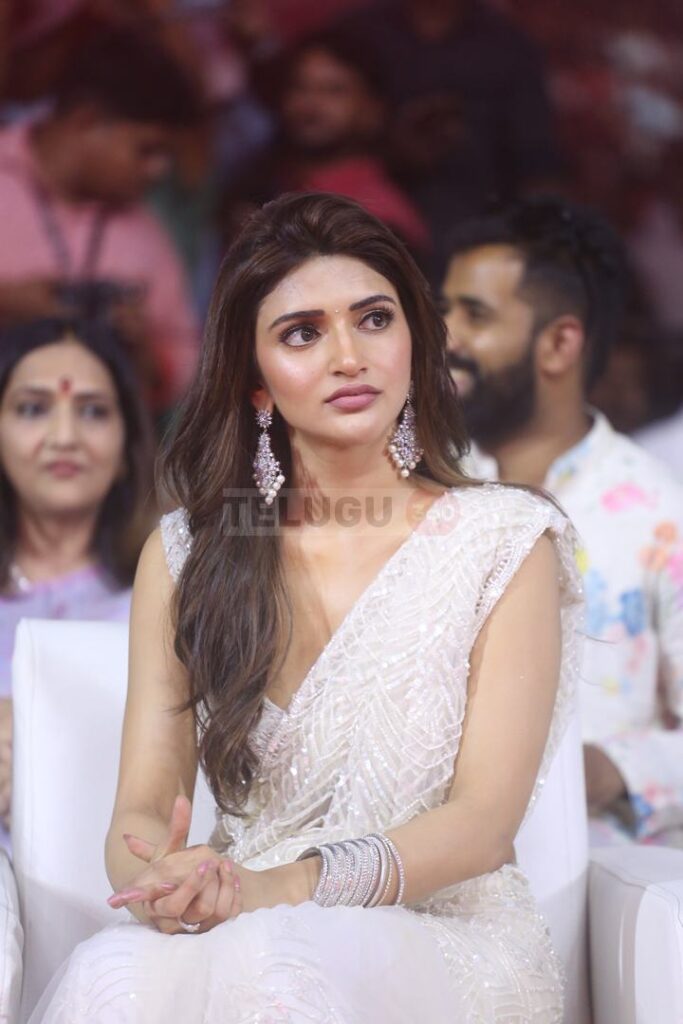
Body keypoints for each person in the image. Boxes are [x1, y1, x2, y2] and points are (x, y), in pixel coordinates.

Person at [32, 192, 582, 1023]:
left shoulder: (505, 541)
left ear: (414, 343)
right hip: (236, 916)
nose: (348, 357)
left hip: (440, 933)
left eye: (374, 320)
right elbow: (142, 806)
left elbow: (480, 826)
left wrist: (278, 889)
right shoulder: (188, 554)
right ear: (255, 384)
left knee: (278, 967)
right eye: (302, 334)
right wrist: (162, 882)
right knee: (115, 973)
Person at [441, 196, 683, 846]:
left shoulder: (659, 514)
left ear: (558, 344)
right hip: (421, 856)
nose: (446, 337)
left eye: (475, 315)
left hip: (595, 866)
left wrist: (610, 769)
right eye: (443, 310)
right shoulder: (419, 488)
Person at [0, 316, 155, 851]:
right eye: (33, 409)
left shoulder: (169, 601)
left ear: (126, 447)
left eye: (92, 411)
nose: (64, 437)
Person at [0, 28, 202, 416]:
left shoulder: (146, 230)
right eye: (146, 150)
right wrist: (8, 305)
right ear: (85, 121)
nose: (158, 170)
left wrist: (144, 353)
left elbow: (184, 364)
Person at [223, 29, 429, 255]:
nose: (310, 104)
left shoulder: (378, 216)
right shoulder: (260, 187)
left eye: (334, 91)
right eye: (300, 87)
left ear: (373, 110)